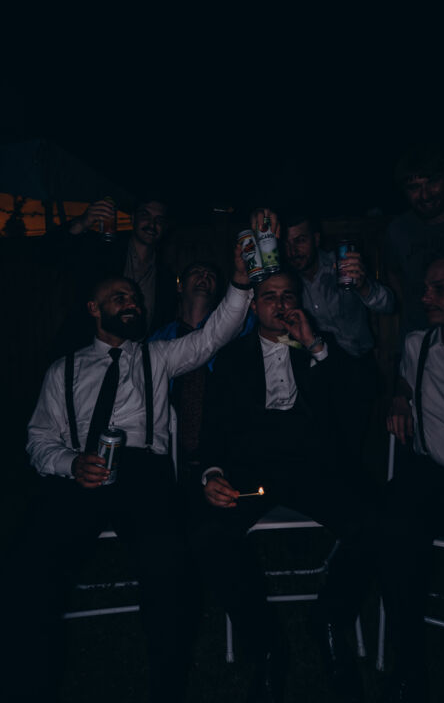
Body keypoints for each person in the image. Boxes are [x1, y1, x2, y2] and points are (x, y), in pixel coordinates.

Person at [0, 239, 253, 703]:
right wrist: (70, 463)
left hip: (143, 474)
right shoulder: (62, 370)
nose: (131, 302)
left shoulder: (158, 356)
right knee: (27, 565)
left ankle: (166, 688)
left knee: (170, 569)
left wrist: (239, 281)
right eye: (118, 297)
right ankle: (28, 686)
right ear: (93, 309)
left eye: (134, 297)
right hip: (80, 472)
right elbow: (38, 440)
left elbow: (213, 336)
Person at [192, 269, 385, 703]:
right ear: (253, 306)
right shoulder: (232, 356)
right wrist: (213, 474)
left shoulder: (320, 344)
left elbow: (360, 396)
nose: (280, 304)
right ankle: (266, 646)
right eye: (269, 296)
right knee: (208, 534)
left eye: (288, 295)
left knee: (375, 519)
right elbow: (213, 428)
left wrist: (315, 346)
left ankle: (329, 619)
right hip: (251, 470)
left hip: (314, 467)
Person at [385, 258, 444, 702]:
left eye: (439, 289)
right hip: (436, 478)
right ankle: (408, 671)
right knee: (395, 531)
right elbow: (404, 381)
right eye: (425, 288)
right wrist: (399, 397)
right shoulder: (416, 344)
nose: (426, 298)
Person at [283, 212, 394, 474]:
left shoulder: (343, 263)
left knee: (357, 452)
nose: (293, 250)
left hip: (357, 369)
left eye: (300, 240)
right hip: (316, 375)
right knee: (322, 452)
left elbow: (389, 304)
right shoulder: (285, 280)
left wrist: (364, 285)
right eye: (287, 243)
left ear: (316, 239)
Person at [150, 260, 255, 480]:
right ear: (180, 286)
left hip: (224, 448)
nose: (204, 276)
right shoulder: (159, 338)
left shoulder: (242, 326)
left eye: (211, 275)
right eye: (196, 272)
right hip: (170, 453)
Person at [46, 196, 178, 357]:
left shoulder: (166, 278)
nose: (152, 224)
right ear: (133, 218)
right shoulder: (103, 250)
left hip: (135, 362)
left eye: (159, 220)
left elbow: (162, 327)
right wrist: (82, 222)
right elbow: (47, 254)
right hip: (84, 354)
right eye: (145, 215)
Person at [384, 144, 444, 342]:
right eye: (414, 187)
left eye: (433, 182)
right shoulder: (398, 230)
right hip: (420, 340)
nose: (425, 195)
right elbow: (393, 274)